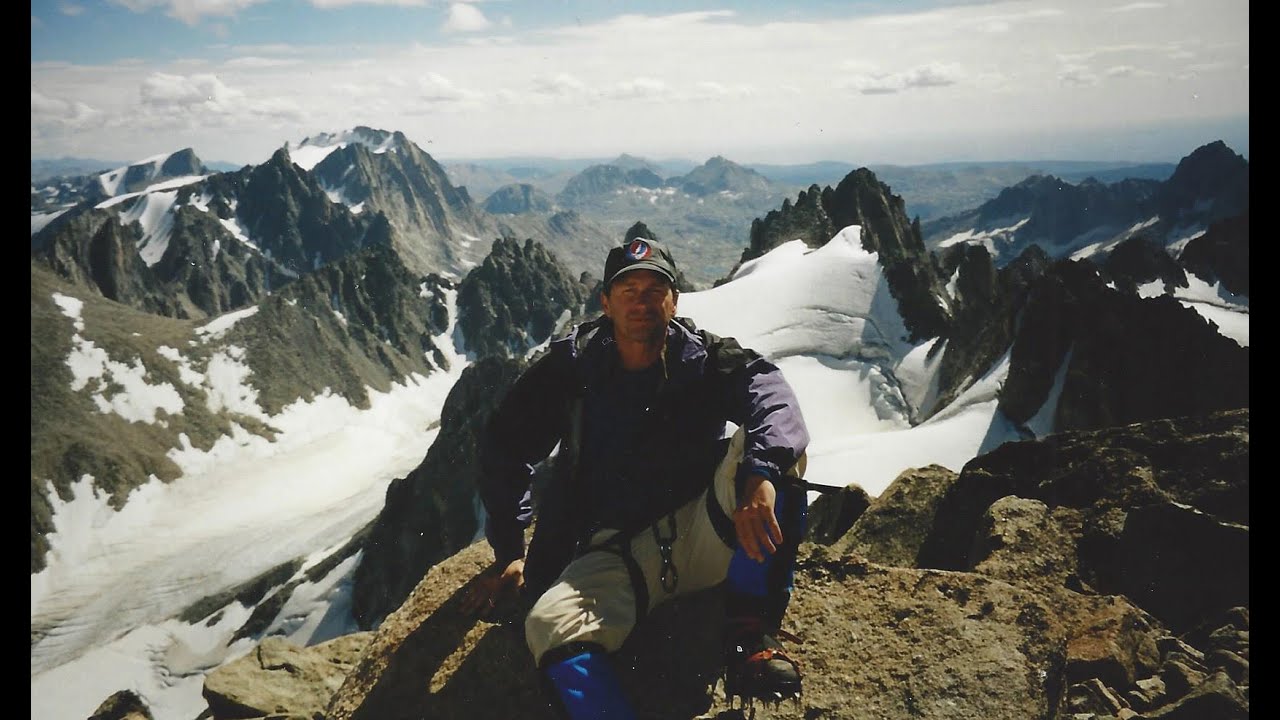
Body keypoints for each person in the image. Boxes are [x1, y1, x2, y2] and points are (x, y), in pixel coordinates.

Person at [461, 236, 811, 719]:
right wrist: (509, 552)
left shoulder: (706, 359)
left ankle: (748, 633)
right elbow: (505, 445)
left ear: (675, 299)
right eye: (628, 290)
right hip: (614, 552)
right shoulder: (573, 367)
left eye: (654, 290)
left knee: (777, 453)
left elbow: (773, 397)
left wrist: (760, 476)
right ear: (606, 302)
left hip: (703, 531)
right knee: (549, 626)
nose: (641, 302)